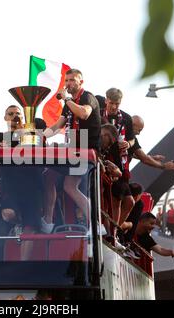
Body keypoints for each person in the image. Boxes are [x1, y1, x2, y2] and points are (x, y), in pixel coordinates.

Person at [42, 69, 101, 231]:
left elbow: (84, 114)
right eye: (66, 80)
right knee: (54, 178)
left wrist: (67, 99)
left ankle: (95, 224)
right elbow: (57, 126)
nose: (68, 84)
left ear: (81, 82)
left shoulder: (87, 97)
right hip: (73, 151)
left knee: (70, 186)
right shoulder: (68, 104)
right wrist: (40, 136)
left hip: (86, 151)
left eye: (72, 80)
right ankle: (48, 221)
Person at [100, 88, 135, 230]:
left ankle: (114, 232)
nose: (114, 107)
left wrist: (128, 143)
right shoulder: (98, 114)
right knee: (110, 201)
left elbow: (133, 140)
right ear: (106, 100)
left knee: (128, 202)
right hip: (105, 161)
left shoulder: (126, 118)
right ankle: (110, 233)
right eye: (111, 103)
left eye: (117, 104)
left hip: (121, 163)